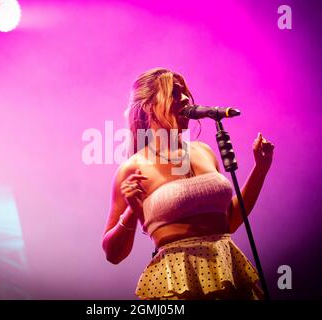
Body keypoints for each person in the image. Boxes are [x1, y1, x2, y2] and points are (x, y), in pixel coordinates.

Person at [102, 67, 275, 300]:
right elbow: (113, 254)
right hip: (178, 280)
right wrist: (133, 212)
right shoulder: (132, 168)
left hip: (226, 268)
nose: (184, 98)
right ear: (149, 107)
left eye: (185, 93)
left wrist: (260, 169)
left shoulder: (204, 151)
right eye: (174, 93)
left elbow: (230, 221)